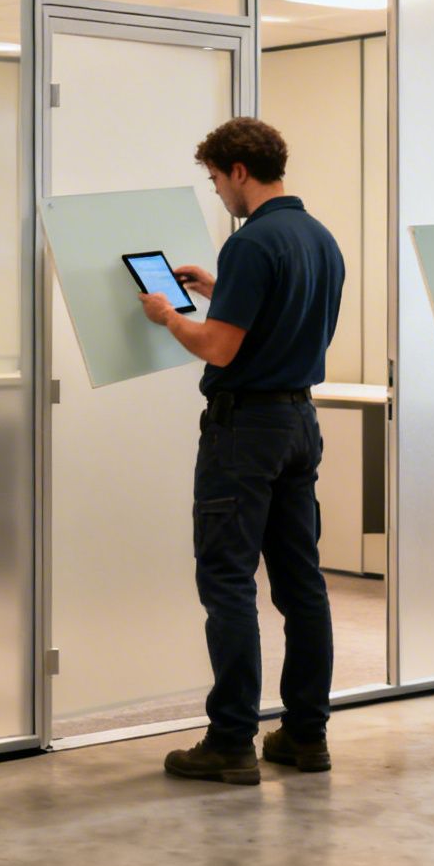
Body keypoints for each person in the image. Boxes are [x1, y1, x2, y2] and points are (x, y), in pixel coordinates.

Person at [138, 117, 346, 785]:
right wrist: (215, 292)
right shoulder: (320, 238)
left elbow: (219, 348)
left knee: (228, 582)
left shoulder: (253, 243)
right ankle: (305, 736)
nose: (218, 194)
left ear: (237, 171)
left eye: (216, 180)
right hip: (299, 423)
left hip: (245, 430)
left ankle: (230, 741)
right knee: (301, 585)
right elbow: (277, 320)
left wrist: (171, 316)